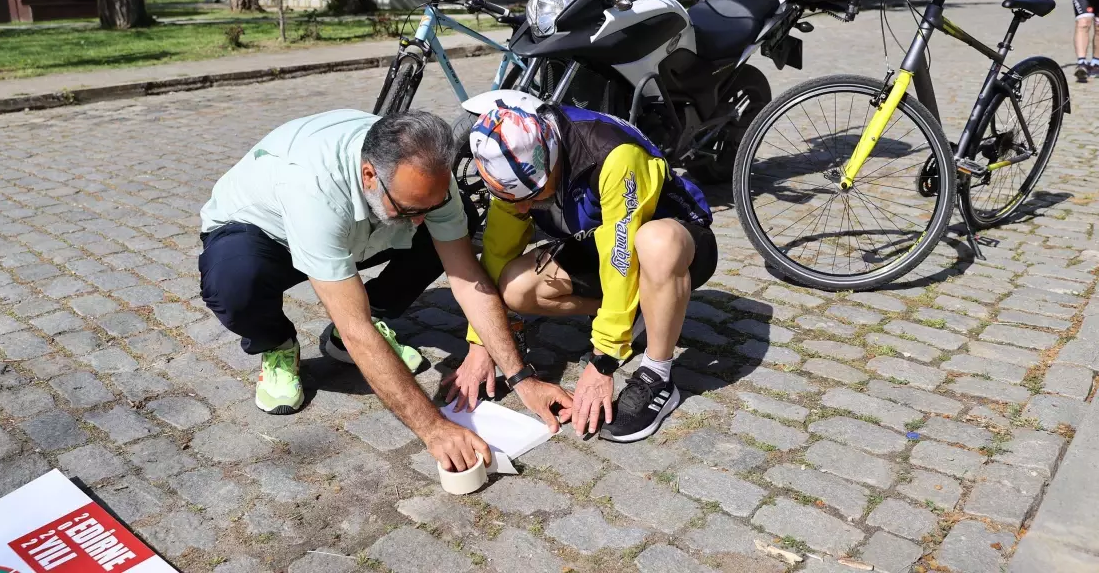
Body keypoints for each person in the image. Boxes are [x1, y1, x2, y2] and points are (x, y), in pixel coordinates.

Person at [198, 109, 572, 471]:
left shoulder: (424, 179)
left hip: (360, 225)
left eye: (432, 204)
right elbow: (354, 327)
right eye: (411, 209)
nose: (423, 218)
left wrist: (522, 379)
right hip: (262, 233)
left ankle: (377, 312)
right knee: (233, 283)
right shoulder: (314, 193)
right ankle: (277, 344)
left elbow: (468, 281)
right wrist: (434, 428)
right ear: (369, 175)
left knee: (450, 229)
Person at [445, 95, 718, 443]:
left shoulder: (613, 156)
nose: (526, 206)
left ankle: (658, 375)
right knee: (514, 285)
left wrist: (602, 360)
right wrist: (480, 343)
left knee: (655, 241)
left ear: (551, 155)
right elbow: (497, 253)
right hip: (598, 243)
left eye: (533, 193)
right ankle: (641, 314)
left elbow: (622, 261)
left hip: (676, 246)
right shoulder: (513, 168)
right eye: (515, 200)